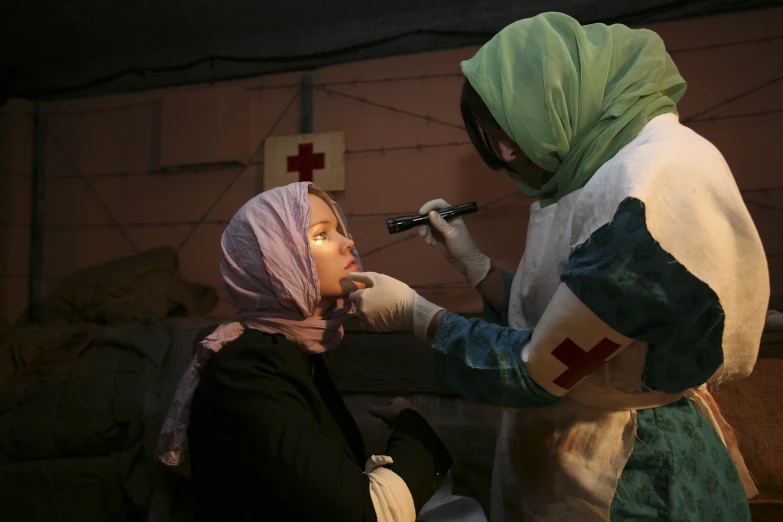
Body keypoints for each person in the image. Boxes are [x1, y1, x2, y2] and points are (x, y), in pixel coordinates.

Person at [347, 12, 769, 522]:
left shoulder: (647, 190)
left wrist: (416, 315)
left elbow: (542, 365)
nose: (504, 152)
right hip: (581, 441)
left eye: (508, 130)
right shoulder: (592, 168)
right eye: (491, 137)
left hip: (635, 477)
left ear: (554, 96)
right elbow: (570, 318)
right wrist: (474, 265)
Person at [154, 182, 485, 522]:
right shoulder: (248, 366)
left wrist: (476, 267)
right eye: (321, 235)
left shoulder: (298, 345)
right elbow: (366, 512)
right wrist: (412, 425)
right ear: (278, 263)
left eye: (338, 230)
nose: (348, 242)